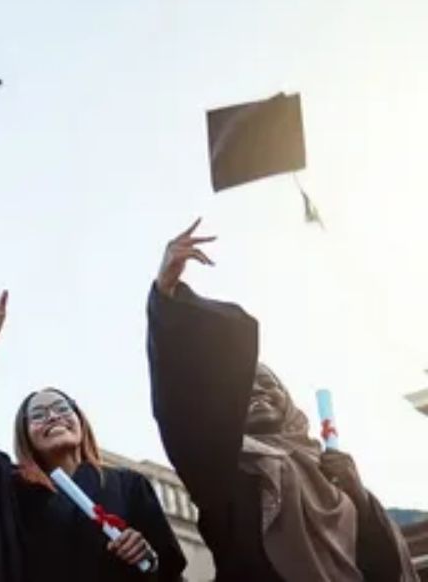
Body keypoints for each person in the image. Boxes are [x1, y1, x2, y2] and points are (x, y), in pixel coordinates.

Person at [146, 219, 418, 581]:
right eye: (246, 389)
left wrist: (361, 500)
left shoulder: (332, 473)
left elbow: (386, 568)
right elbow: (180, 409)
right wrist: (166, 297)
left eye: (268, 385)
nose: (258, 393)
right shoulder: (226, 471)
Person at [0, 287, 186, 581]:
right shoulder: (17, 491)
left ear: (80, 420)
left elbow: (168, 570)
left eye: (61, 409)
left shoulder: (129, 486)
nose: (52, 417)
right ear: (25, 434)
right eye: (37, 415)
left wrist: (147, 556)